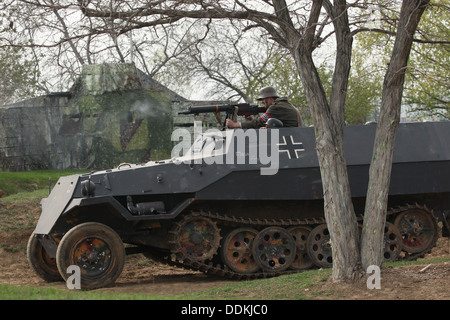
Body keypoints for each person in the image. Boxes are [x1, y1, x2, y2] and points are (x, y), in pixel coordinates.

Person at [226, 86, 301, 129]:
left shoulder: (275, 107)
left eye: (263, 99)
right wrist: (250, 121)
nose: (262, 102)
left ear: (270, 98)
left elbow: (259, 122)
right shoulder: (286, 104)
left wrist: (235, 125)